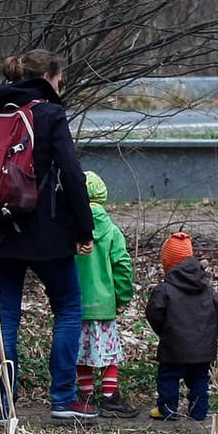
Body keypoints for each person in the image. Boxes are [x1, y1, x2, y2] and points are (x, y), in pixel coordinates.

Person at [0, 49, 96, 422]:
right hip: (46, 231)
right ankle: (63, 398)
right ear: (49, 78)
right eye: (60, 80)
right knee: (68, 307)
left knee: (6, 314)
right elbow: (73, 175)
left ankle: (1, 404)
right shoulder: (50, 113)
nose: (62, 86)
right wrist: (84, 227)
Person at [75, 171, 138, 417]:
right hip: (105, 305)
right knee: (109, 352)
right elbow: (122, 265)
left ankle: (86, 396)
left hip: (76, 304)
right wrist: (121, 297)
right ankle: (110, 397)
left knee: (82, 353)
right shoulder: (111, 230)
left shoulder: (70, 228)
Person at [145, 232, 218, 422]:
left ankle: (168, 409)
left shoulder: (165, 289)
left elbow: (153, 312)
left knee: (168, 377)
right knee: (199, 378)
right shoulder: (206, 287)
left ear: (168, 264)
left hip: (174, 345)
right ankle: (199, 411)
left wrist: (164, 330)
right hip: (204, 347)